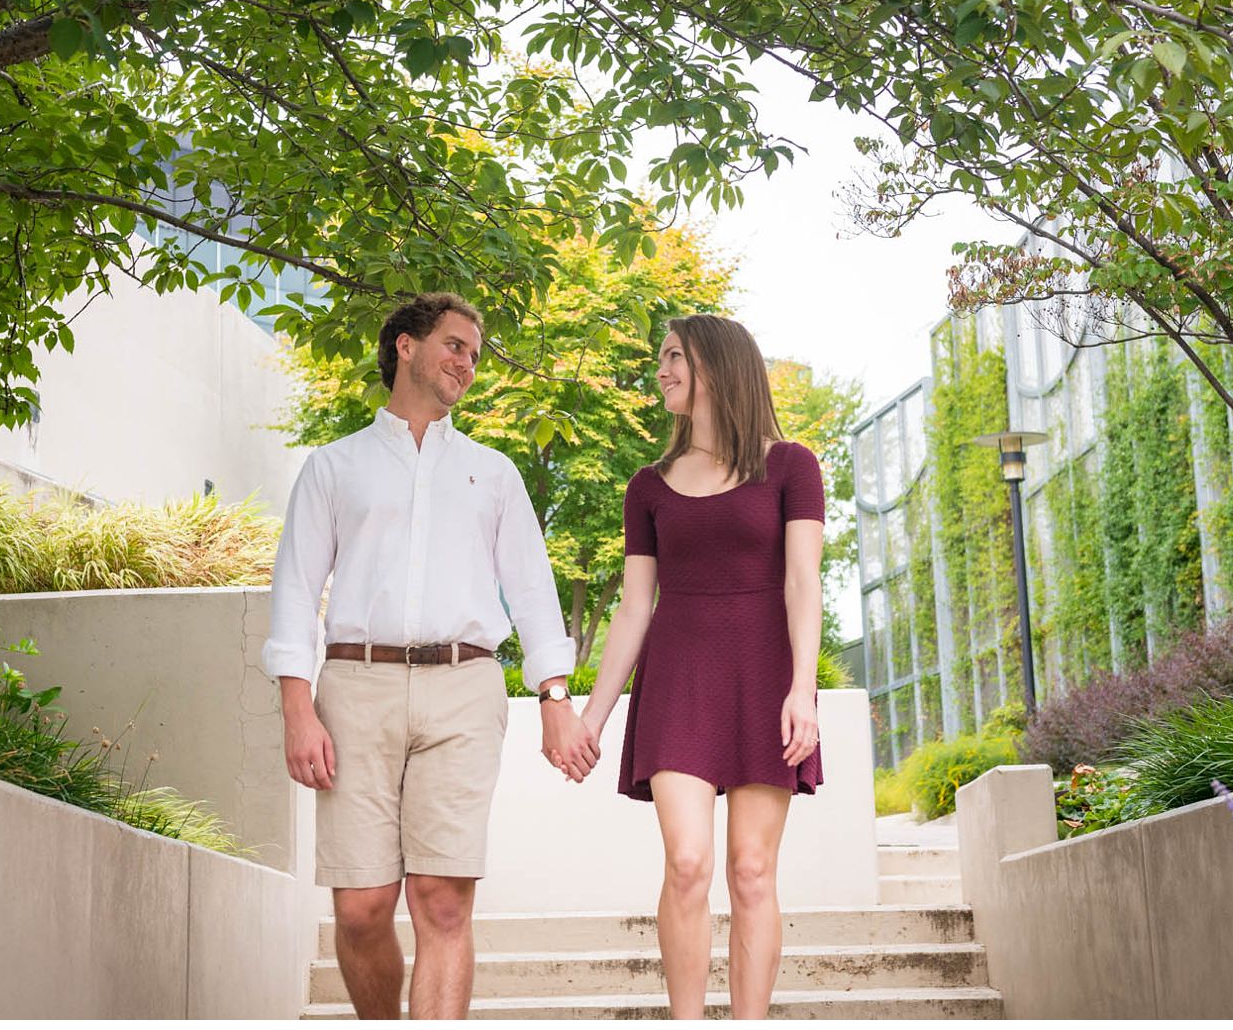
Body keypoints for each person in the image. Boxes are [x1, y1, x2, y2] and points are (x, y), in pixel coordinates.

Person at [262, 292, 599, 1020]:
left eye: (474, 355)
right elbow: (294, 593)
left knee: (443, 903)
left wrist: (555, 699)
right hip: (354, 688)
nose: (467, 364)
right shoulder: (333, 467)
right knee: (359, 907)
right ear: (405, 347)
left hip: (464, 688)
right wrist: (297, 708)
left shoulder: (494, 473)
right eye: (455, 345)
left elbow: (534, 595)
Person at [579, 314, 826, 1020]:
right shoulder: (647, 486)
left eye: (674, 358)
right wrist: (593, 718)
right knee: (688, 864)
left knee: (751, 872)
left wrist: (802, 691)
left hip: (766, 679)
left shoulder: (792, 466)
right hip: (679, 680)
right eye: (661, 359)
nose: (661, 371)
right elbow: (633, 609)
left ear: (716, 366)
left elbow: (803, 582)